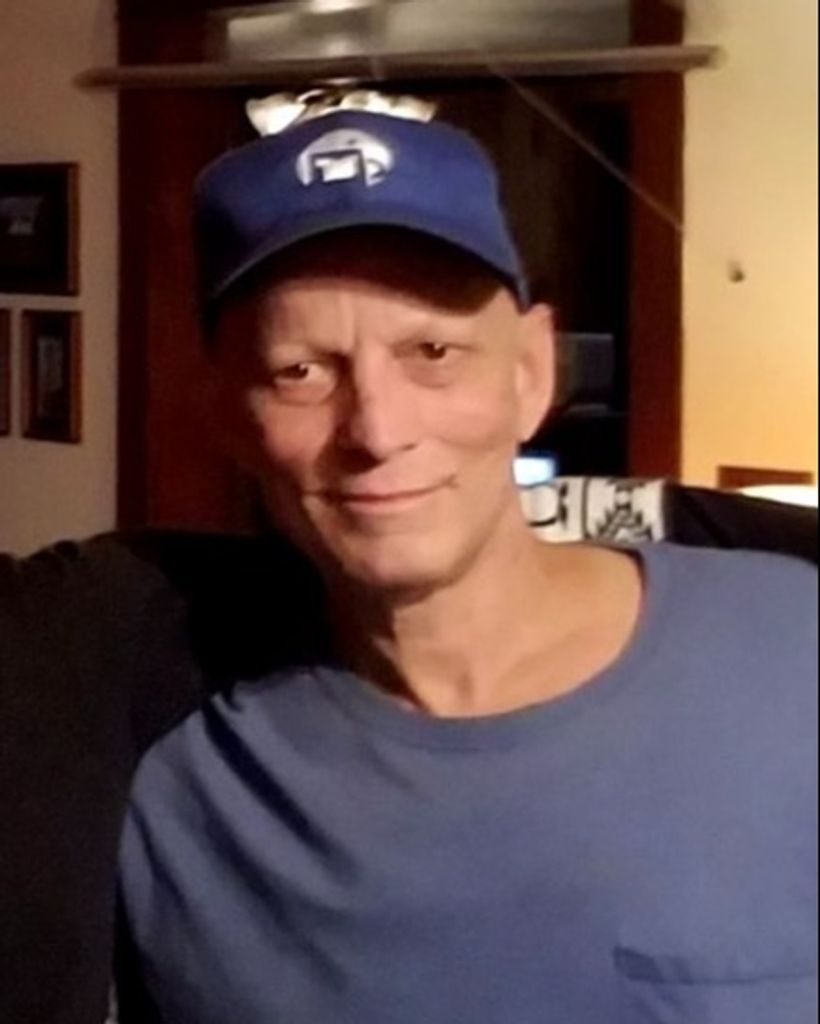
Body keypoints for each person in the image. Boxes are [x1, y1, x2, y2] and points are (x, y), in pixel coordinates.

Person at [113, 108, 818, 1023]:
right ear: (227, 412)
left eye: (433, 353)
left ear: (530, 373)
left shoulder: (795, 660)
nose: (377, 429)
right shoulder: (155, 762)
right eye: (300, 371)